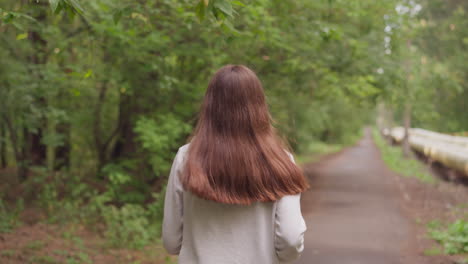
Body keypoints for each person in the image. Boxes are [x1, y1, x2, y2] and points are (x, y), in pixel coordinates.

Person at [162, 65, 309, 264]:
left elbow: (171, 241)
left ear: (210, 105)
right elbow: (290, 240)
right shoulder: (281, 161)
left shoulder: (186, 158)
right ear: (259, 105)